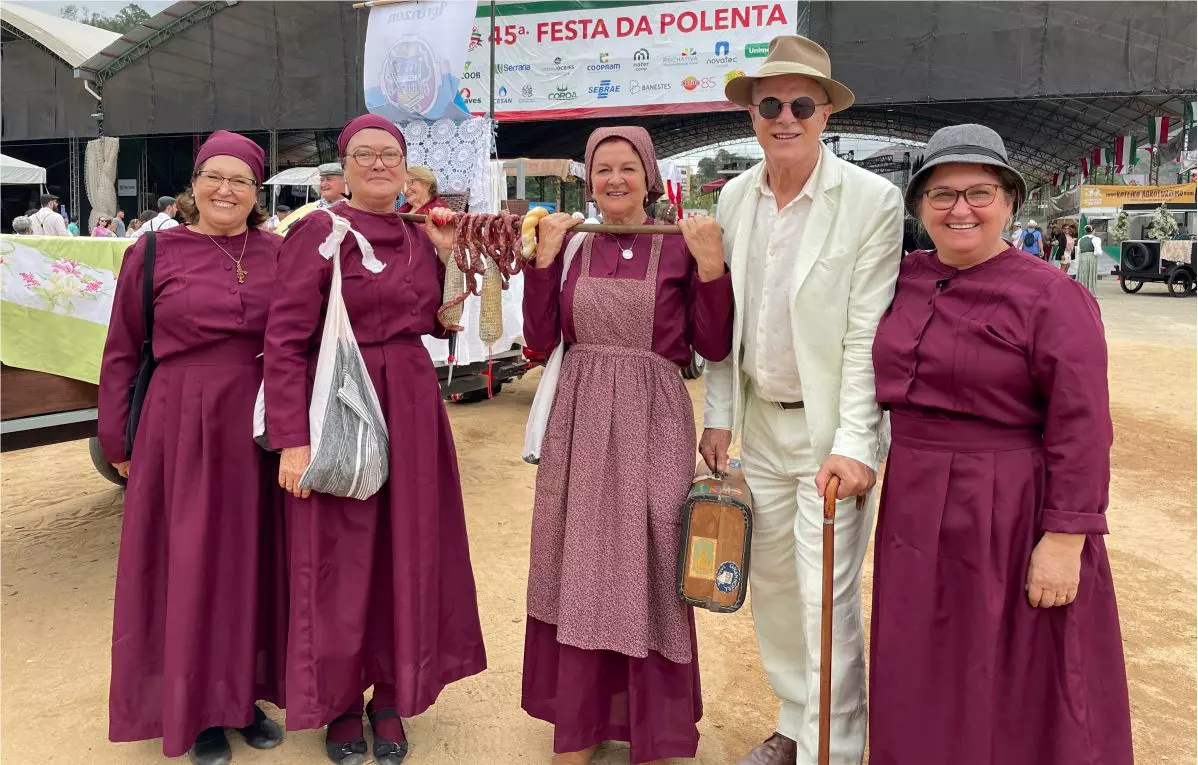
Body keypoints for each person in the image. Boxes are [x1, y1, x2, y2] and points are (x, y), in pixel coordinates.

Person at [870, 124, 1133, 765]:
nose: (961, 209)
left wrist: (1066, 539)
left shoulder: (1051, 296)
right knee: (921, 661)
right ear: (920, 208)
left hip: (1010, 507)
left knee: (1014, 672)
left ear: (1010, 201)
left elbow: (1083, 425)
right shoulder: (898, 280)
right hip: (913, 501)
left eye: (979, 192)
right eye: (942, 194)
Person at [700, 35, 903, 765]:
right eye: (769, 104)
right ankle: (795, 720)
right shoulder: (732, 195)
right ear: (752, 115)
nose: (784, 117)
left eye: (801, 104)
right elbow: (723, 323)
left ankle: (836, 747)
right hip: (760, 426)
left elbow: (862, 337)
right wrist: (718, 414)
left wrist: (853, 442)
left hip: (828, 438)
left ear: (824, 114)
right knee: (778, 589)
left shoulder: (872, 201)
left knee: (828, 597)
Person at [264, 114, 486, 765]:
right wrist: (292, 439)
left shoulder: (422, 233)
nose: (380, 164)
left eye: (391, 154)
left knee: (406, 552)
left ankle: (390, 692)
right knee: (339, 557)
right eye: (366, 155)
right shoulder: (317, 232)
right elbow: (283, 339)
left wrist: (451, 261)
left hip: (411, 406)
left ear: (404, 162)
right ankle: (337, 700)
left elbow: (444, 326)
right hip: (339, 404)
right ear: (345, 164)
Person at [521, 126, 734, 765]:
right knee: (579, 563)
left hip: (655, 415)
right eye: (602, 170)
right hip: (580, 415)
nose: (614, 180)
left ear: (648, 175)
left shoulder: (679, 245)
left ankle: (655, 727)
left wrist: (711, 267)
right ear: (589, 180)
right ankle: (580, 725)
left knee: (653, 561)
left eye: (627, 168)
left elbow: (714, 344)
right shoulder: (573, 242)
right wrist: (543, 261)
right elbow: (538, 338)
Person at [98, 130, 288, 765]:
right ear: (195, 184)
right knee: (189, 563)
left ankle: (241, 697)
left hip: (257, 424)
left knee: (249, 562)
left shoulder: (278, 251)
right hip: (179, 423)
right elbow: (123, 350)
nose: (225, 189)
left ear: (255, 191)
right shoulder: (153, 251)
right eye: (215, 176)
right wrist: (116, 435)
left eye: (239, 180)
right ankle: (196, 707)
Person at [276, 162, 348, 235]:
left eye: (329, 179)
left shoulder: (352, 208)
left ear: (345, 181)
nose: (323, 184)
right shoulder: (311, 207)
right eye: (322, 180)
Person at [1077, 224, 1103, 296]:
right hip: (1091, 257)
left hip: (1082, 257)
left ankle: (1082, 291)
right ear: (1094, 230)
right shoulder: (1096, 239)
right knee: (1090, 273)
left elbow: (1078, 251)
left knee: (1083, 273)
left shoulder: (1081, 239)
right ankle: (1090, 292)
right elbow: (1098, 251)